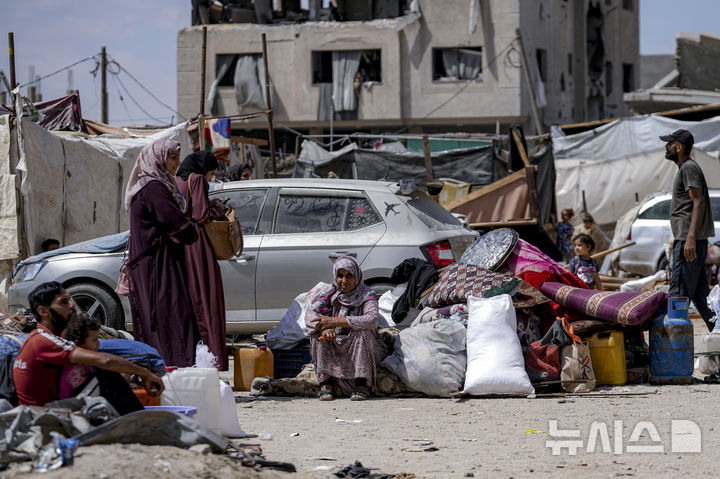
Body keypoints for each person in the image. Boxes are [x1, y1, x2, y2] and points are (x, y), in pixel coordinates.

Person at [13, 282, 163, 408]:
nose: (72, 305)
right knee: (106, 374)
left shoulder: (48, 338)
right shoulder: (42, 341)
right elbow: (104, 360)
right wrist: (146, 373)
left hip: (53, 404)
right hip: (43, 414)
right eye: (63, 302)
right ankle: (138, 422)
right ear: (43, 311)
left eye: (69, 299)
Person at [124, 139, 200, 367]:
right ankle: (176, 367)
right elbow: (181, 227)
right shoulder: (154, 188)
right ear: (158, 158)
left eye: (178, 158)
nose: (177, 163)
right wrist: (186, 229)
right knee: (172, 315)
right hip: (158, 266)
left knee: (165, 316)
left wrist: (180, 230)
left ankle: (168, 367)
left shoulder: (155, 185)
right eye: (173, 157)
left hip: (158, 262)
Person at [175, 151, 229, 370]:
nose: (210, 177)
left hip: (182, 244)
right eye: (211, 172)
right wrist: (218, 208)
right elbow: (201, 215)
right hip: (198, 244)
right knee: (207, 297)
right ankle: (213, 355)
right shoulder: (196, 179)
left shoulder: (177, 180)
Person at [305, 256, 386, 401]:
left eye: (349, 276)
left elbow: (372, 319)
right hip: (337, 342)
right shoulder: (330, 293)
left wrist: (335, 321)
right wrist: (324, 328)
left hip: (361, 346)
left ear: (357, 276)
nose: (344, 281)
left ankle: (362, 384)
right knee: (316, 333)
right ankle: (326, 384)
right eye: (340, 276)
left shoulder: (367, 294)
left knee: (363, 331)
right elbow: (310, 315)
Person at [661, 129, 716, 330]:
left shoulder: (688, 168)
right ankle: (718, 331)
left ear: (679, 147)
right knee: (701, 295)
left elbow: (698, 201)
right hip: (689, 239)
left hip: (688, 241)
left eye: (669, 143)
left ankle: (674, 348)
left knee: (679, 292)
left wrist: (690, 237)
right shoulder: (685, 168)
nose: (666, 147)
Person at [59, 314, 102, 399]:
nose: (98, 343)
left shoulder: (87, 362)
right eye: (94, 340)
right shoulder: (74, 370)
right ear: (78, 343)